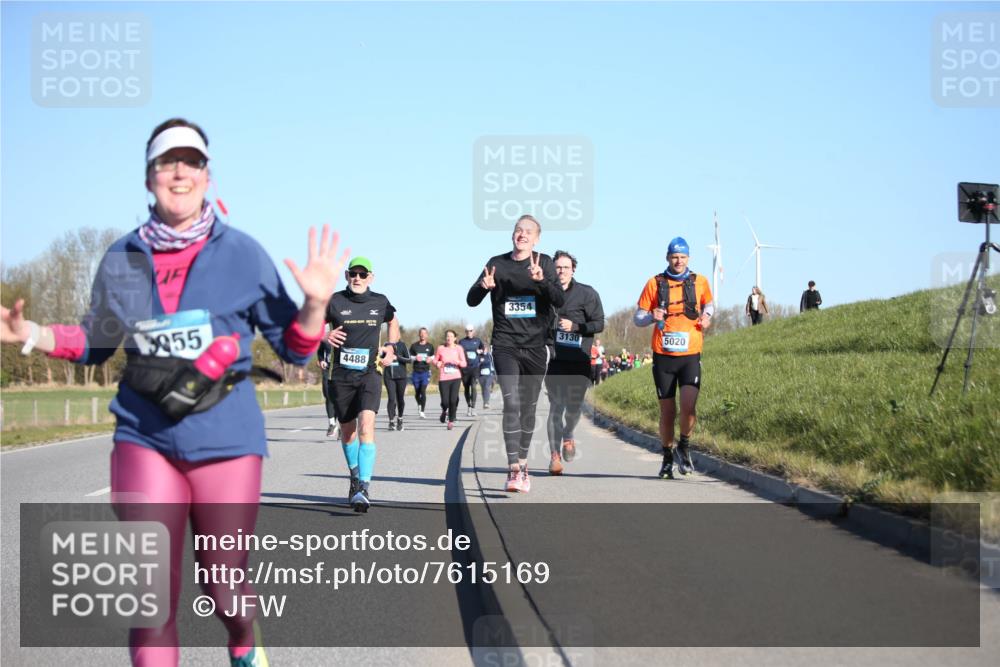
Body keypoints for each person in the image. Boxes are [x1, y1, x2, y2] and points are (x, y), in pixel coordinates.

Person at [0, 117, 347, 667]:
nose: (179, 171)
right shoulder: (121, 257)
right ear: (148, 178)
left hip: (225, 439)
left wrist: (313, 305)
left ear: (208, 177)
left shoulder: (242, 254)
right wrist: (31, 336)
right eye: (167, 161)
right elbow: (95, 340)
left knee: (224, 586)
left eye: (192, 161)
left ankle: (243, 639)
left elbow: (297, 350)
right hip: (144, 435)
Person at [467, 214, 565, 493]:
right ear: (512, 235)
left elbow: (560, 300)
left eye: (528, 232)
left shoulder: (544, 262)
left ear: (537, 238)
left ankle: (524, 464)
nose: (521, 235)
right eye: (517, 230)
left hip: (536, 346)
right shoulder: (496, 264)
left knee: (528, 407)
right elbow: (471, 300)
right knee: (511, 403)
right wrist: (482, 287)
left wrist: (542, 281)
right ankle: (513, 469)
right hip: (506, 343)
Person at [634, 236, 714, 479]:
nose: (678, 261)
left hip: (690, 355)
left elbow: (709, 304)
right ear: (667, 258)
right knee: (668, 412)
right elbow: (637, 318)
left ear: (688, 258)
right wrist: (651, 316)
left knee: (689, 408)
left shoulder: (699, 281)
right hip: (664, 356)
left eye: (682, 257)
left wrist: (707, 316)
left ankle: (685, 444)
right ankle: (667, 457)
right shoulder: (654, 283)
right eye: (674, 257)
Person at [325, 256, 400, 513]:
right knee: (348, 433)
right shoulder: (334, 301)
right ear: (346, 275)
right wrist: (324, 336)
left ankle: (364, 488)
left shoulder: (380, 301)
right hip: (341, 375)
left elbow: (393, 322)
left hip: (370, 373)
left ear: (371, 277)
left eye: (362, 274)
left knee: (367, 425)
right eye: (353, 273)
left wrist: (390, 347)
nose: (357, 278)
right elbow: (308, 327)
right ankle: (355, 476)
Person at [545, 250, 605, 475]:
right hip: (554, 360)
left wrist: (576, 327)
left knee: (573, 408)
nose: (561, 271)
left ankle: (568, 434)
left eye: (565, 268)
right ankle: (554, 456)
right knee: (555, 407)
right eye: (557, 268)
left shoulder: (587, 294)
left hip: (579, 360)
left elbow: (599, 323)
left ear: (573, 270)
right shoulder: (544, 293)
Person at [434, 329, 467, 430]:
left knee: (453, 401)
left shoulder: (459, 348)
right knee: (445, 402)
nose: (449, 338)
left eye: (451, 336)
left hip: (456, 377)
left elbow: (464, 364)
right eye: (447, 336)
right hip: (444, 378)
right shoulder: (441, 348)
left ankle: (451, 421)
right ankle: (444, 411)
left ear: (455, 338)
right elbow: (435, 360)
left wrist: (457, 361)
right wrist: (437, 363)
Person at [382, 338, 411, 431]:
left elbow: (409, 359)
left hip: (401, 377)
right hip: (388, 376)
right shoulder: (386, 345)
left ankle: (400, 419)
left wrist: (397, 357)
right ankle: (391, 422)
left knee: (400, 399)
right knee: (391, 398)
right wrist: (382, 355)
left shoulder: (402, 345)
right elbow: (380, 358)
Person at [459, 324, 486, 417]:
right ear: (465, 332)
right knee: (466, 388)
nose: (469, 332)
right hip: (465, 368)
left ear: (473, 331)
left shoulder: (478, 341)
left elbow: (484, 349)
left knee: (473, 387)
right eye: (467, 331)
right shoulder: (461, 342)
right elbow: (458, 352)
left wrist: (481, 354)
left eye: (470, 331)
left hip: (475, 367)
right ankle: (469, 407)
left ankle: (473, 408)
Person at [318, 338, 341, 438]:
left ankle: (342, 427)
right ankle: (332, 424)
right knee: (328, 396)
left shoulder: (346, 335)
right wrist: (321, 360)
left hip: (342, 371)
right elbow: (320, 350)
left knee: (341, 399)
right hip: (328, 370)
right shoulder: (325, 338)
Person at [409, 327, 434, 419]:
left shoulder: (430, 346)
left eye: (424, 333)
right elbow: (409, 357)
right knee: (417, 392)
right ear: (419, 334)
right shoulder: (414, 346)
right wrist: (415, 358)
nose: (423, 335)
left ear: (427, 335)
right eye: (421, 333)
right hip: (416, 372)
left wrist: (430, 359)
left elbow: (433, 357)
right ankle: (419, 404)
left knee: (423, 391)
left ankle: (422, 411)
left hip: (425, 372)